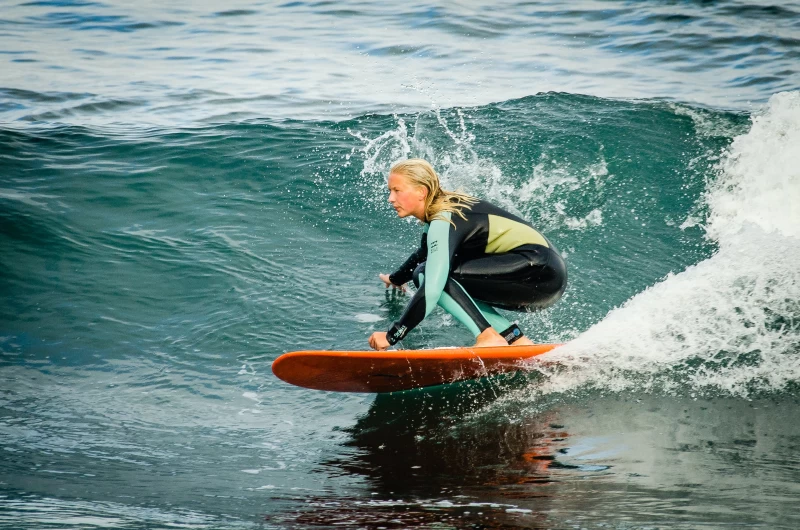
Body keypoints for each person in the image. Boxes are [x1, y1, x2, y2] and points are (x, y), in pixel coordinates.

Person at [368, 159, 567, 351]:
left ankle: (488, 337)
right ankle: (514, 339)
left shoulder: (443, 218)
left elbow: (432, 287)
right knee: (443, 275)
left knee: (429, 274)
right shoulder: (444, 211)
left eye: (397, 190)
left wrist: (392, 335)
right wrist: (395, 278)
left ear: (422, 191)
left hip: (537, 269)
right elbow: (424, 252)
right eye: (390, 191)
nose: (391, 199)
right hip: (547, 275)